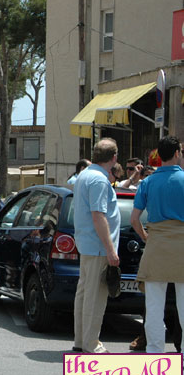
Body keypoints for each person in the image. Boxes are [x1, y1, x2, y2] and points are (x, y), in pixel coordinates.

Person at [130, 135, 184, 354]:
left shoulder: (148, 182)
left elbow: (134, 219)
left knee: (153, 307)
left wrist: (145, 237)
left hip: (156, 245)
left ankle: (154, 353)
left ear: (158, 156)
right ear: (178, 153)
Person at [72, 138, 120, 354]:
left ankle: (82, 340)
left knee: (84, 294)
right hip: (98, 245)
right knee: (95, 297)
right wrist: (111, 250)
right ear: (114, 157)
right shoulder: (100, 180)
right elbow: (98, 216)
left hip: (86, 243)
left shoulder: (84, 174)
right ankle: (92, 344)